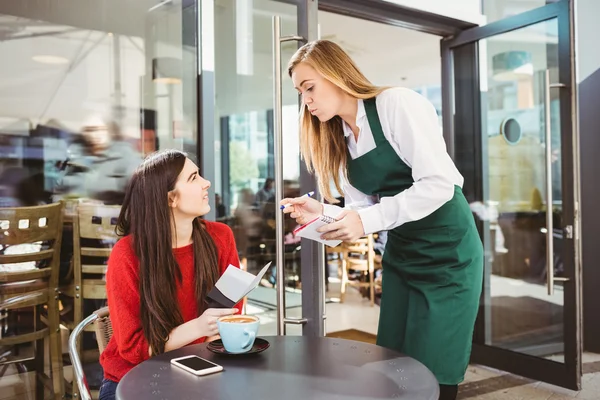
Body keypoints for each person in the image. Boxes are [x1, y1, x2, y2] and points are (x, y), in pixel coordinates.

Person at [281, 40, 483, 400]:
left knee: (437, 367)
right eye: (300, 93)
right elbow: (362, 214)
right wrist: (322, 213)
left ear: (335, 73)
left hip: (448, 256)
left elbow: (439, 184)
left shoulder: (396, 104)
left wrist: (363, 220)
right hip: (403, 257)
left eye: (309, 87)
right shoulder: (340, 141)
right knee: (395, 364)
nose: (306, 101)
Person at [98, 149, 242, 400]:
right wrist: (199, 326)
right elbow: (133, 349)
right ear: (170, 199)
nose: (206, 183)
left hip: (202, 370)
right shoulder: (127, 254)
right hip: (135, 379)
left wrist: (210, 331)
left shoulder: (220, 237)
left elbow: (230, 315)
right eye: (194, 177)